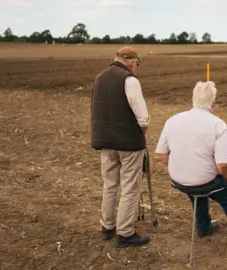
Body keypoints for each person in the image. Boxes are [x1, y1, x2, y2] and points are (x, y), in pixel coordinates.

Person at [154, 81, 227, 250]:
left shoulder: (172, 120)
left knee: (196, 192)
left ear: (192, 99)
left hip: (179, 181)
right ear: (213, 103)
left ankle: (203, 228)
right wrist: (222, 176)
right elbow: (223, 165)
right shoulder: (218, 125)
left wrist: (182, 167)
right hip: (206, 182)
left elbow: (161, 155)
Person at [91, 46, 151, 248]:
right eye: (137, 64)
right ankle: (125, 232)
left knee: (110, 185)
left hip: (105, 142)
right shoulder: (130, 80)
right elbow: (142, 117)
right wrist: (140, 135)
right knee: (130, 187)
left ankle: (107, 227)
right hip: (128, 144)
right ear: (133, 62)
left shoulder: (100, 77)